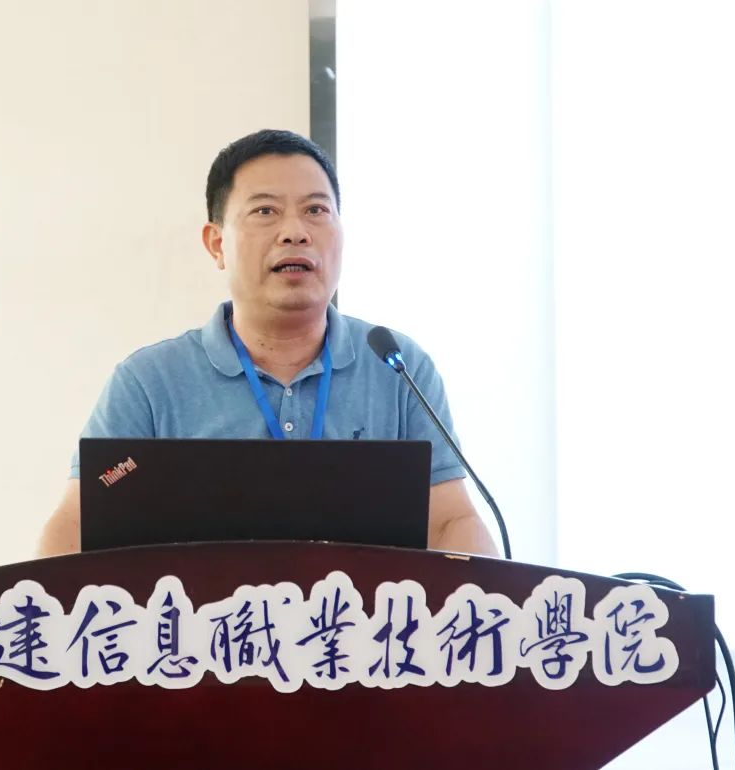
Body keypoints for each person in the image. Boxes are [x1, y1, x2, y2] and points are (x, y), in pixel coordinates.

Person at [36, 129, 499, 558]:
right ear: (216, 243)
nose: (296, 231)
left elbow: (450, 521)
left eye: (316, 210)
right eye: (265, 211)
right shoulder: (149, 382)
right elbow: (78, 526)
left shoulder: (397, 366)